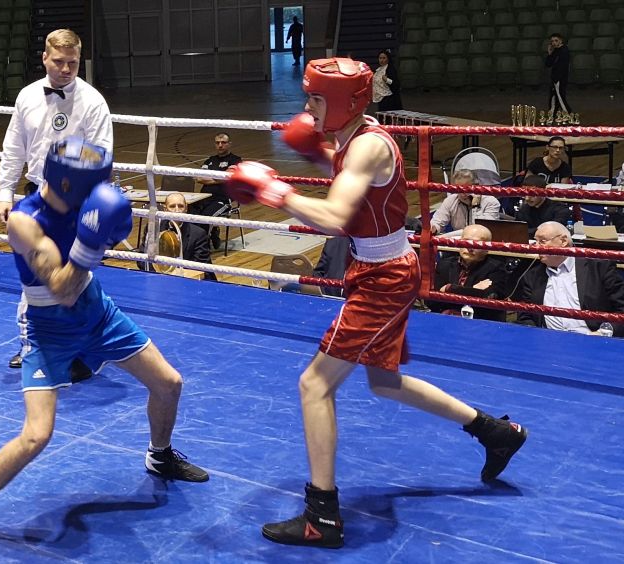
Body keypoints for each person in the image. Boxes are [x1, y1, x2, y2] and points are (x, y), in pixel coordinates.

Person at [226, 57, 528, 549]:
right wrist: (317, 154)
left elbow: (335, 216)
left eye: (316, 98)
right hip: (376, 268)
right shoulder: (352, 137)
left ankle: (321, 517)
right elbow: (353, 185)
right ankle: (495, 431)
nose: (308, 107)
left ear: (341, 102)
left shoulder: (367, 144)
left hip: (384, 277)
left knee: (314, 385)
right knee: (384, 381)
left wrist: (274, 190)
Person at [0, 138, 209, 559]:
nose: (101, 191)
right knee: (37, 435)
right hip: (49, 328)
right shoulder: (24, 222)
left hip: (96, 312)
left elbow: (95, 267)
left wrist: (106, 232)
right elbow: (62, 288)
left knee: (169, 383)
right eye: (94, 185)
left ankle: (160, 456)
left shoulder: (83, 203)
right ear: (69, 184)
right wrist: (92, 242)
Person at [0, 28, 112, 375]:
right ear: (44, 57)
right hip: (37, 196)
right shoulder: (27, 96)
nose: (65, 69)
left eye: (72, 63)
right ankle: (31, 345)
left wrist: (96, 206)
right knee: (34, 274)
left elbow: (102, 157)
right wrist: (5, 191)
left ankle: (83, 349)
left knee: (77, 274)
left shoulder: (93, 101)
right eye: (59, 61)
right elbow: (14, 147)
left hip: (77, 202)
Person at [515, 221, 624, 336]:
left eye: (542, 241)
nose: (536, 247)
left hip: (593, 337)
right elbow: (525, 315)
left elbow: (621, 309)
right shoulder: (532, 276)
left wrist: (603, 333)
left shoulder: (598, 268)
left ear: (563, 241)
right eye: (535, 242)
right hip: (548, 339)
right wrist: (537, 336)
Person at [428, 224, 507, 322]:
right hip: (446, 320)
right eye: (466, 241)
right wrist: (474, 290)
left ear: (487, 248)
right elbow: (431, 301)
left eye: (476, 243)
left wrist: (450, 288)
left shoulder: (497, 268)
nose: (470, 247)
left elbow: (489, 301)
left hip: (480, 323)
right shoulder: (445, 264)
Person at [192, 132, 242, 249]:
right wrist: (220, 178)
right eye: (217, 143)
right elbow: (199, 178)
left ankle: (202, 247)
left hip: (222, 199)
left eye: (223, 142)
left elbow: (227, 177)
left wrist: (212, 178)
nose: (220, 145)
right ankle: (210, 234)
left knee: (204, 218)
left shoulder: (235, 160)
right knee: (188, 215)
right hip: (203, 198)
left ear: (229, 144)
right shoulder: (210, 160)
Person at [156, 192, 217, 281]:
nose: (177, 210)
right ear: (165, 209)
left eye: (181, 206)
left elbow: (199, 267)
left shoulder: (198, 234)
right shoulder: (155, 229)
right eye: (172, 206)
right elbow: (143, 259)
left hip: (191, 281)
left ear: (186, 208)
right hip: (160, 278)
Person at [429, 169, 500, 234]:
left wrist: (475, 206)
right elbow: (437, 221)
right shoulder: (451, 200)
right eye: (459, 190)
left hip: (482, 240)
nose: (462, 194)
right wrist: (433, 227)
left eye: (466, 189)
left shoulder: (491, 202)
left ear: (476, 186)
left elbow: (483, 230)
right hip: (459, 240)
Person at [545, 33, 571, 114]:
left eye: (556, 40)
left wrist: (557, 78)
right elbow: (548, 64)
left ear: (561, 40)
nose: (554, 43)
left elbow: (562, 66)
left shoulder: (564, 50)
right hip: (555, 77)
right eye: (552, 41)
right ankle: (552, 113)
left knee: (560, 96)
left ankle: (568, 114)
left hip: (560, 78)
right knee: (553, 96)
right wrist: (550, 53)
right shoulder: (555, 51)